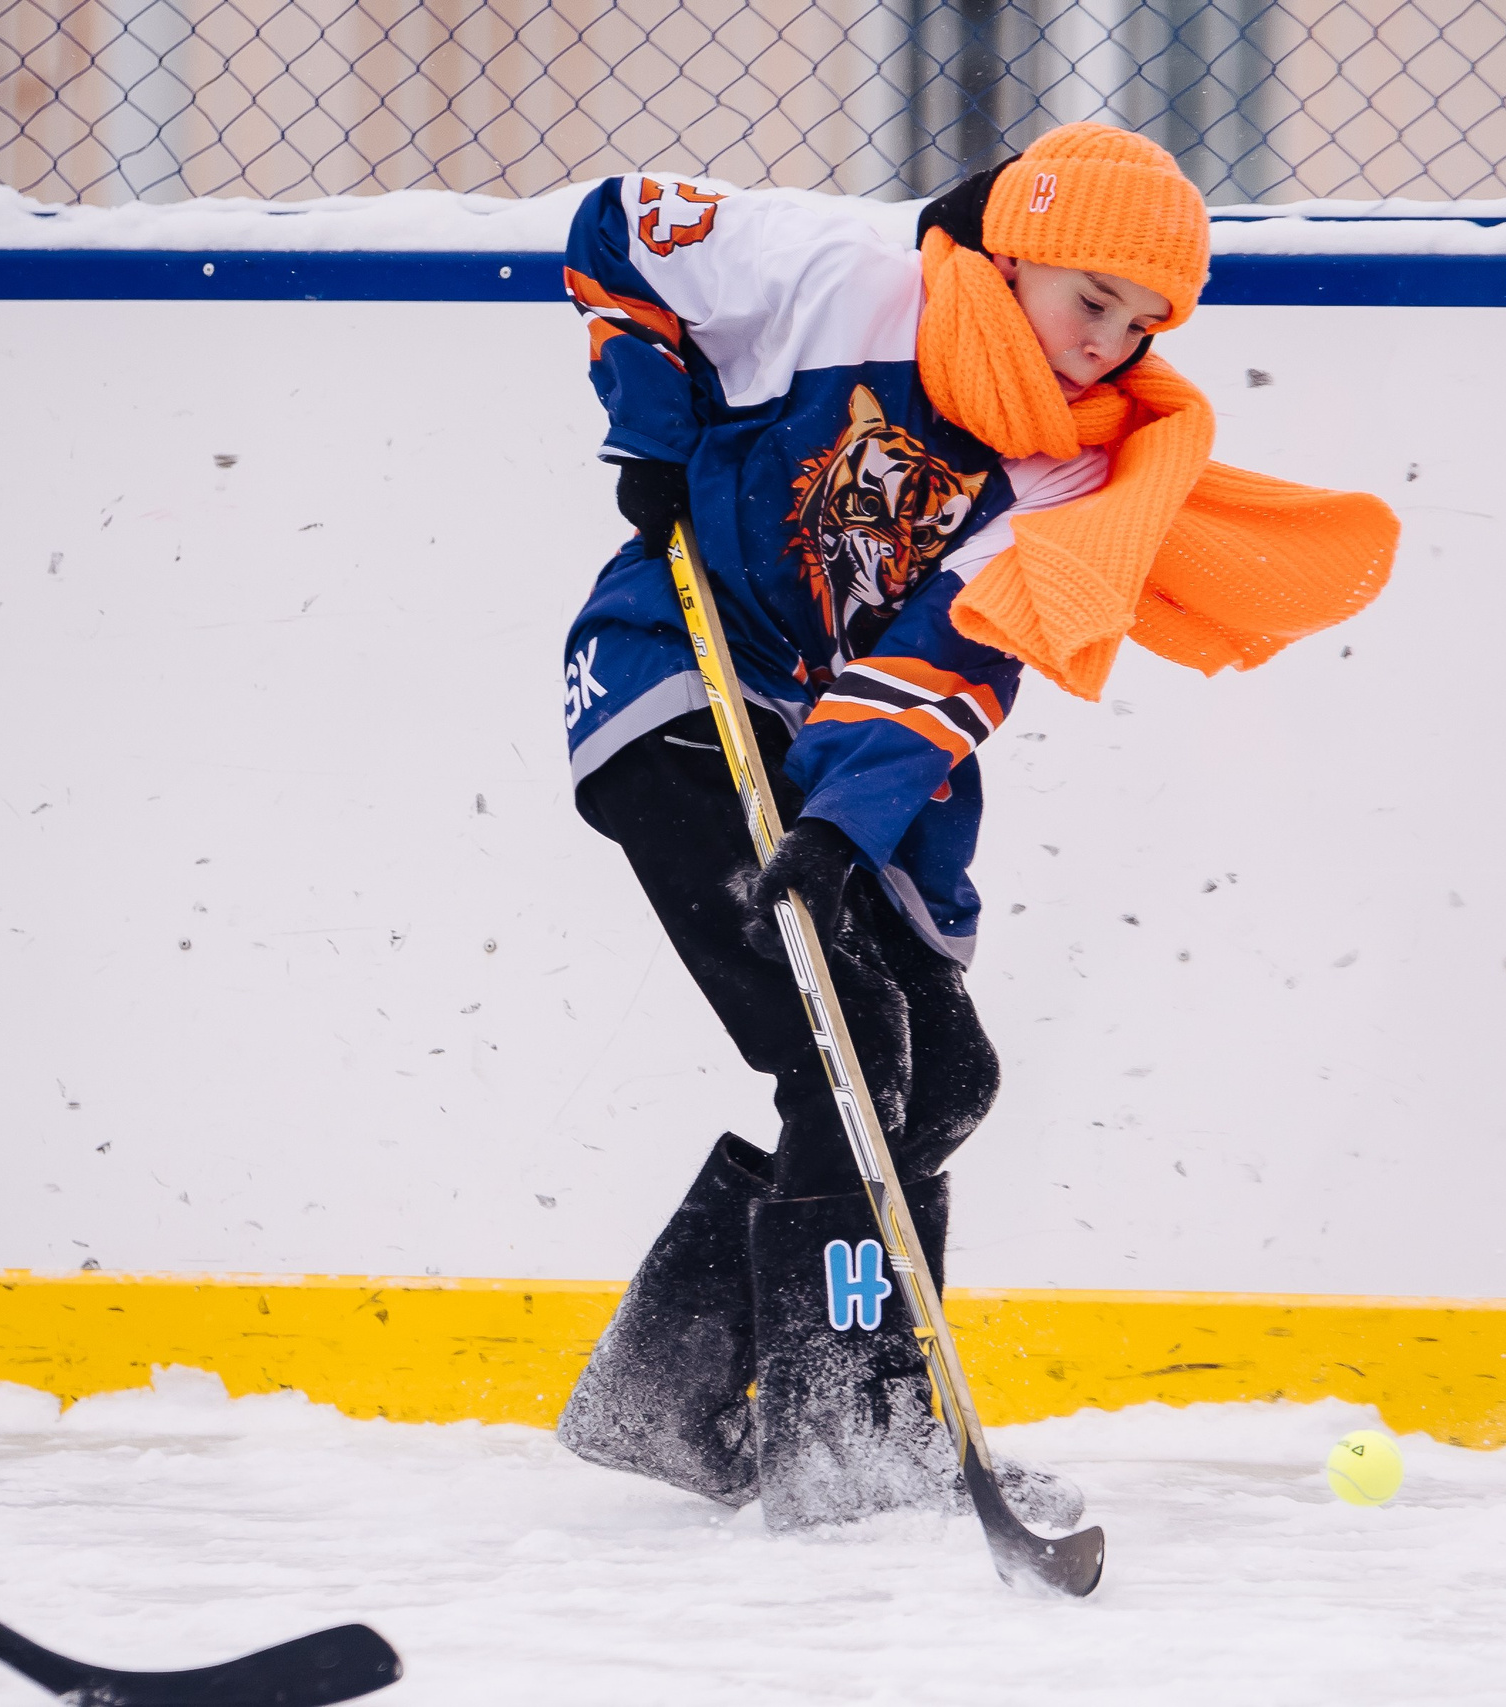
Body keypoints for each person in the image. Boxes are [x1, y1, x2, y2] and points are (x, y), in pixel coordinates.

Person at [551, 123, 1399, 1531]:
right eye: (1092, 303)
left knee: (937, 1069)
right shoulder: (839, 275)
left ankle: (671, 1383)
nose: (1110, 347)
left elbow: (954, 651)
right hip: (675, 684)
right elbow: (622, 224)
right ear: (1015, 253)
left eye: (1143, 328)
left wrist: (841, 825)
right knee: (849, 1043)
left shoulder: (1068, 466)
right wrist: (646, 423)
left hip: (822, 742)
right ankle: (842, 1431)